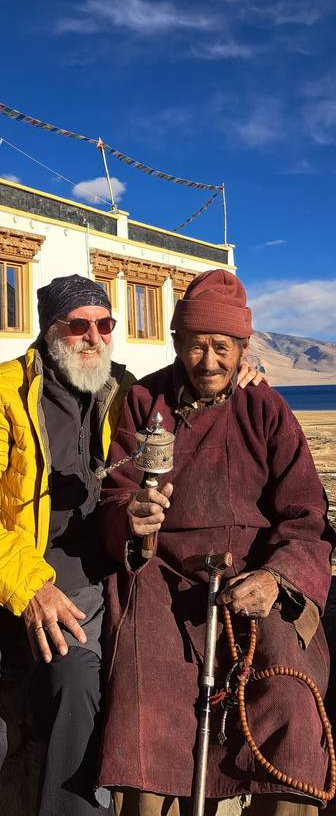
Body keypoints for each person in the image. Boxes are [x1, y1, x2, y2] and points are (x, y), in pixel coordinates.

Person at [0, 272, 263, 816]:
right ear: (51, 330)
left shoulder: (123, 391)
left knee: (80, 686)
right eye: (78, 325)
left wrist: (242, 375)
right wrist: (31, 587)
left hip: (74, 581)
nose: (94, 337)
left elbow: (193, 395)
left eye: (105, 324)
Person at [97, 270, 335, 816]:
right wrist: (132, 517)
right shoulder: (143, 401)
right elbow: (117, 491)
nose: (209, 362)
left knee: (290, 698)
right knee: (143, 707)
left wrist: (277, 578)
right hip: (162, 579)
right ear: (177, 342)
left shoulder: (264, 408)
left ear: (243, 348)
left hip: (257, 578)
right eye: (197, 346)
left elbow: (306, 514)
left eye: (222, 347)